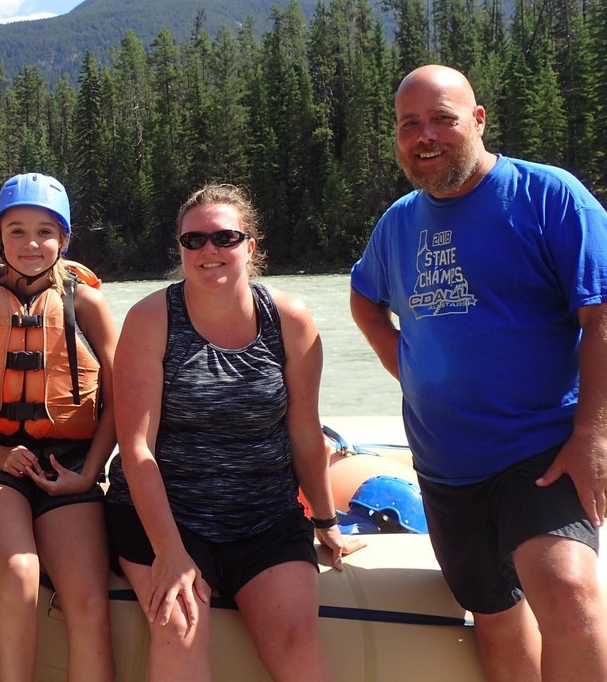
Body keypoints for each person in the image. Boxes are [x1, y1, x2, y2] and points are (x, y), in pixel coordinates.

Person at [350, 64, 607, 682]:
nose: (426, 135)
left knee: (568, 592)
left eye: (442, 117)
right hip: (445, 463)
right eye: (410, 124)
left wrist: (593, 435)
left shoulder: (549, 196)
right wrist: (404, 366)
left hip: (541, 448)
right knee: (493, 611)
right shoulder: (399, 222)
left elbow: (601, 317)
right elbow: (364, 298)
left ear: (479, 120)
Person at [105, 183, 360, 682]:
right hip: (168, 517)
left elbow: (305, 434)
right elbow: (137, 448)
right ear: (180, 248)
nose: (209, 251)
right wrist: (171, 552)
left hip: (265, 519)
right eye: (193, 241)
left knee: (296, 640)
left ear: (251, 245)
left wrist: (326, 518)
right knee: (180, 627)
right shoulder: (151, 319)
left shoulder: (289, 321)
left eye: (224, 237)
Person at [0, 173, 117, 682]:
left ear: (65, 239)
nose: (31, 243)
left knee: (89, 599)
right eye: (16, 231)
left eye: (45, 231)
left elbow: (122, 404)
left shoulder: (88, 306)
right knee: (20, 571)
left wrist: (88, 473)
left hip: (71, 465)